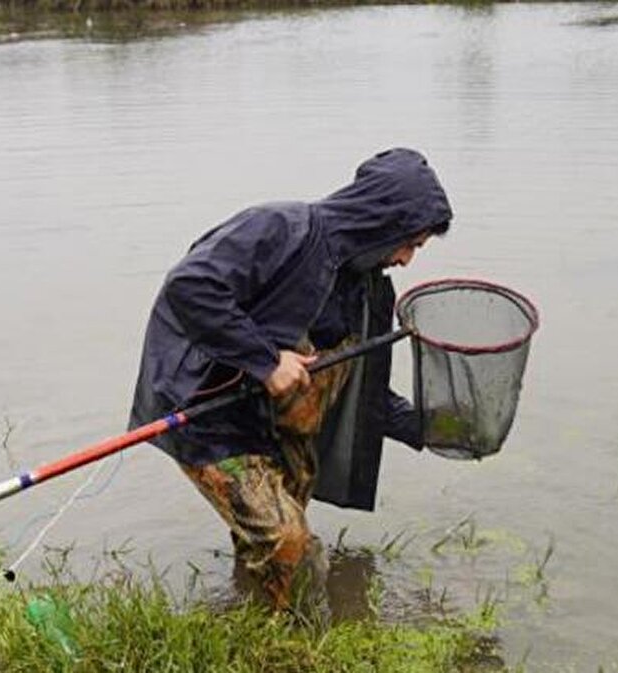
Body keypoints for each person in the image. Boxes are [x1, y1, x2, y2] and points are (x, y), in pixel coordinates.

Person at [129, 147, 452, 612]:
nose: (406, 259)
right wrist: (264, 360)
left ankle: (256, 616)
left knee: (266, 546)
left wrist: (429, 429)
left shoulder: (367, 286)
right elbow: (190, 287)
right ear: (384, 223)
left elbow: (366, 391)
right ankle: (301, 650)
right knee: (291, 545)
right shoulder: (281, 228)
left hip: (279, 427)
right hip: (209, 418)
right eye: (410, 244)